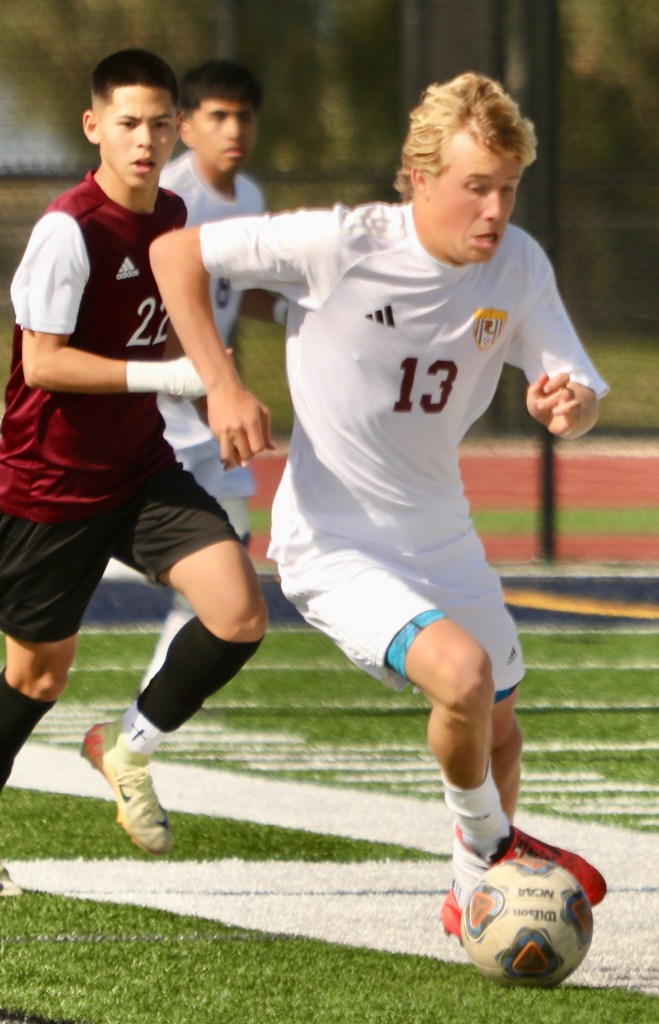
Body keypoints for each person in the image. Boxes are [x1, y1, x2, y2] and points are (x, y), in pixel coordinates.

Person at [147, 72, 609, 936]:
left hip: (443, 536)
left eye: (507, 188)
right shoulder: (340, 243)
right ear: (420, 178)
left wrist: (568, 406)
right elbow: (175, 255)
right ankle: (489, 861)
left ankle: (471, 893)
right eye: (476, 187)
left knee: (499, 732)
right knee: (463, 676)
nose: (494, 209)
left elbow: (575, 387)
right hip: (335, 544)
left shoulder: (518, 264)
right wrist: (219, 384)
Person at [0, 49, 270, 897]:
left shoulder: (177, 215)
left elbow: (166, 329)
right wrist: (168, 378)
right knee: (37, 676)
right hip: (50, 486)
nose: (145, 140)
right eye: (128, 124)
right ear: (95, 129)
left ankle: (127, 744)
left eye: (158, 124)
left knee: (238, 611)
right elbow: (41, 365)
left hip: (140, 469)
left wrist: (214, 383)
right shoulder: (67, 228)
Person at [138, 59, 284, 690]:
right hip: (159, 408)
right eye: (217, 116)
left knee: (228, 551)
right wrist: (211, 388)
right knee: (78, 557)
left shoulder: (248, 197)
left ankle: (156, 698)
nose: (234, 129)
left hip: (204, 403)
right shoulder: (171, 198)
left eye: (244, 116)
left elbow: (233, 291)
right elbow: (164, 304)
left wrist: (295, 309)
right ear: (186, 127)